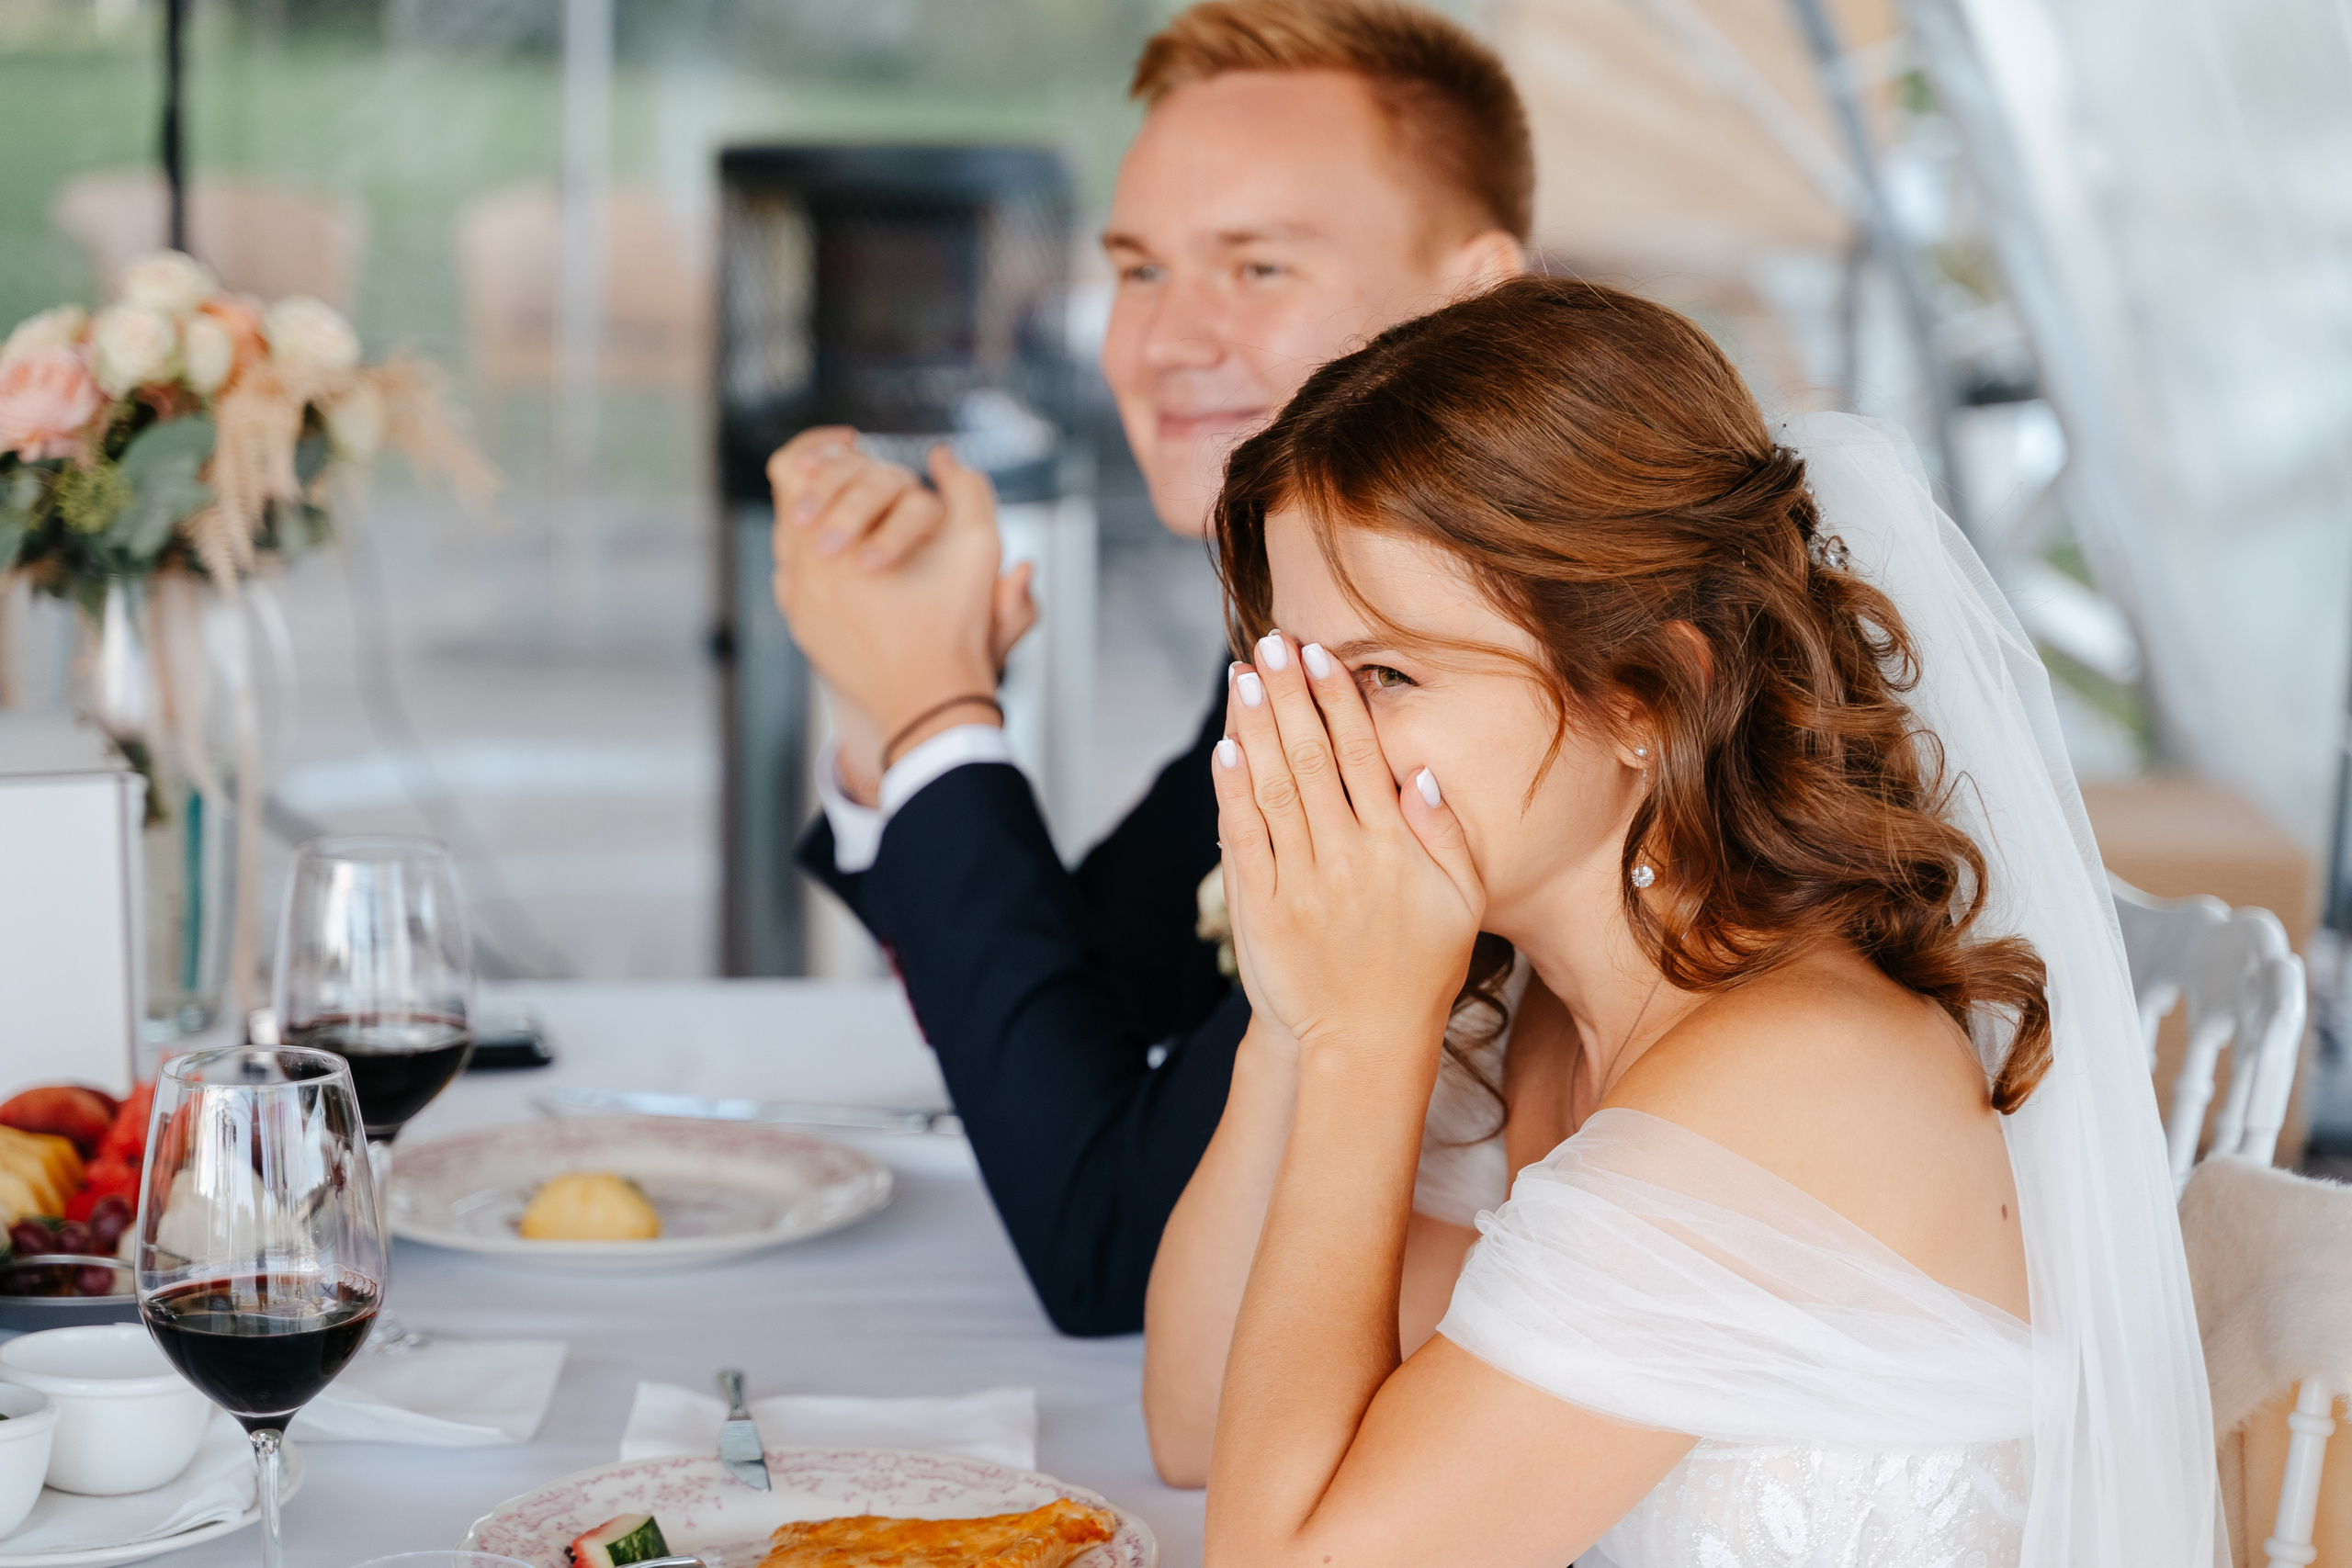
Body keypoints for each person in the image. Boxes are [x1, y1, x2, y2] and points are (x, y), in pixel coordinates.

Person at [1145, 275, 2218, 1564]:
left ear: (1647, 692)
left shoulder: (1795, 1084)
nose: (1309, 746)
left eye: (1383, 675)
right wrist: (1293, 1020)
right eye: (1292, 676)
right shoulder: (1536, 1008)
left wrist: (1363, 1045)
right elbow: (1198, 1422)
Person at [765, 0, 1531, 1336]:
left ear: (1475, 297)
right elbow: (1084, 995)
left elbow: (1115, 1246)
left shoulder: (1472, 701)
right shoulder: (1313, 634)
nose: (1167, 343)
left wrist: (938, 714)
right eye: (1137, 271)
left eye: (1257, 269)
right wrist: (891, 713)